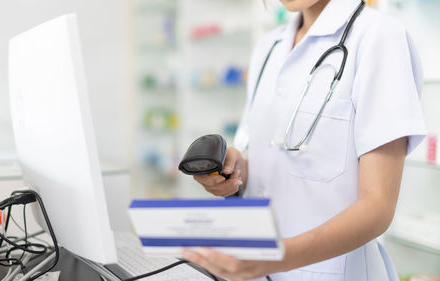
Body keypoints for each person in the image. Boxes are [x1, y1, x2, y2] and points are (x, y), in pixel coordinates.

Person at [181, 0, 427, 280]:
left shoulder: (379, 36)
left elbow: (378, 205)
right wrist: (236, 173)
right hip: (258, 269)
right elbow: (285, 165)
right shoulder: (268, 47)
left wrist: (277, 257)